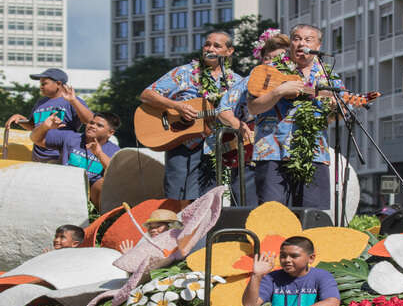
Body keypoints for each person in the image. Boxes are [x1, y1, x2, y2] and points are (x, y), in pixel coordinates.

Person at [139, 31, 242, 206]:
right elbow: (146, 95)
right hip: (181, 143)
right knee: (176, 199)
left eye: (217, 46)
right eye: (207, 44)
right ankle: (177, 233)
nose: (210, 48)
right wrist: (176, 106)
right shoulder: (184, 73)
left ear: (229, 51)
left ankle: (204, 233)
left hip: (213, 148)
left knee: (207, 201)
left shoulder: (236, 82)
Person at [247, 24, 344, 210]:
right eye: (297, 39)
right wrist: (279, 92)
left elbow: (338, 115)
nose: (301, 44)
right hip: (272, 152)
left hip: (313, 153)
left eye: (308, 40)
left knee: (312, 215)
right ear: (290, 43)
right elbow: (253, 108)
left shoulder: (328, 76)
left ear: (319, 45)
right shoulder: (268, 70)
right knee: (273, 215)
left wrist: (335, 108)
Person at [216, 29, 290, 206]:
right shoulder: (249, 81)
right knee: (251, 213)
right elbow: (223, 108)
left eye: (279, 59)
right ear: (262, 60)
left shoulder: (299, 80)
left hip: (290, 156)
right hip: (254, 158)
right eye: (268, 59)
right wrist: (238, 125)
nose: (272, 64)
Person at [30, 112, 121, 208]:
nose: (92, 126)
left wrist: (99, 154)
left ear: (110, 133)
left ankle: (100, 219)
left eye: (99, 125)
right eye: (91, 123)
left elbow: (115, 174)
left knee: (102, 184)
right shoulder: (70, 137)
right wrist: (44, 127)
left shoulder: (114, 150)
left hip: (90, 196)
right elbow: (36, 139)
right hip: (63, 186)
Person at [5, 68, 94, 163]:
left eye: (44, 84)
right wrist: (20, 119)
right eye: (40, 84)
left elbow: (90, 120)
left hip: (60, 156)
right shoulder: (41, 102)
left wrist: (74, 101)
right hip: (38, 157)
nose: (41, 87)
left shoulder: (72, 100)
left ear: (58, 84)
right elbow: (33, 127)